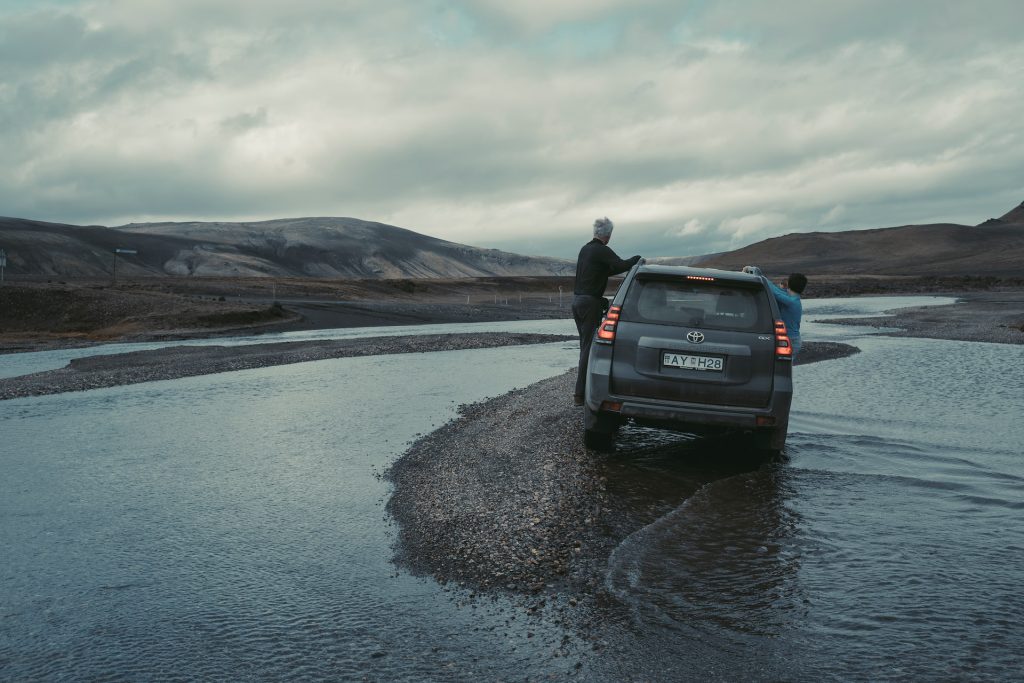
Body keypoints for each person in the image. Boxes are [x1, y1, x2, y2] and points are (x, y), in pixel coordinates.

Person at [572, 217, 641, 405]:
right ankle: (580, 395)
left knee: (584, 345)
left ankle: (582, 391)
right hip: (589, 303)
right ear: (608, 235)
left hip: (577, 302)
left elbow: (600, 271)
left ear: (595, 231)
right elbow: (621, 265)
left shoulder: (585, 249)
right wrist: (637, 259)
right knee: (588, 348)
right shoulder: (601, 250)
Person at [745, 267, 807, 358]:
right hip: (791, 339)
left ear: (789, 284)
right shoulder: (792, 298)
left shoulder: (791, 302)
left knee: (784, 368)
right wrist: (759, 274)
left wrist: (760, 276)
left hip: (791, 341)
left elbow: (774, 292)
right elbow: (775, 289)